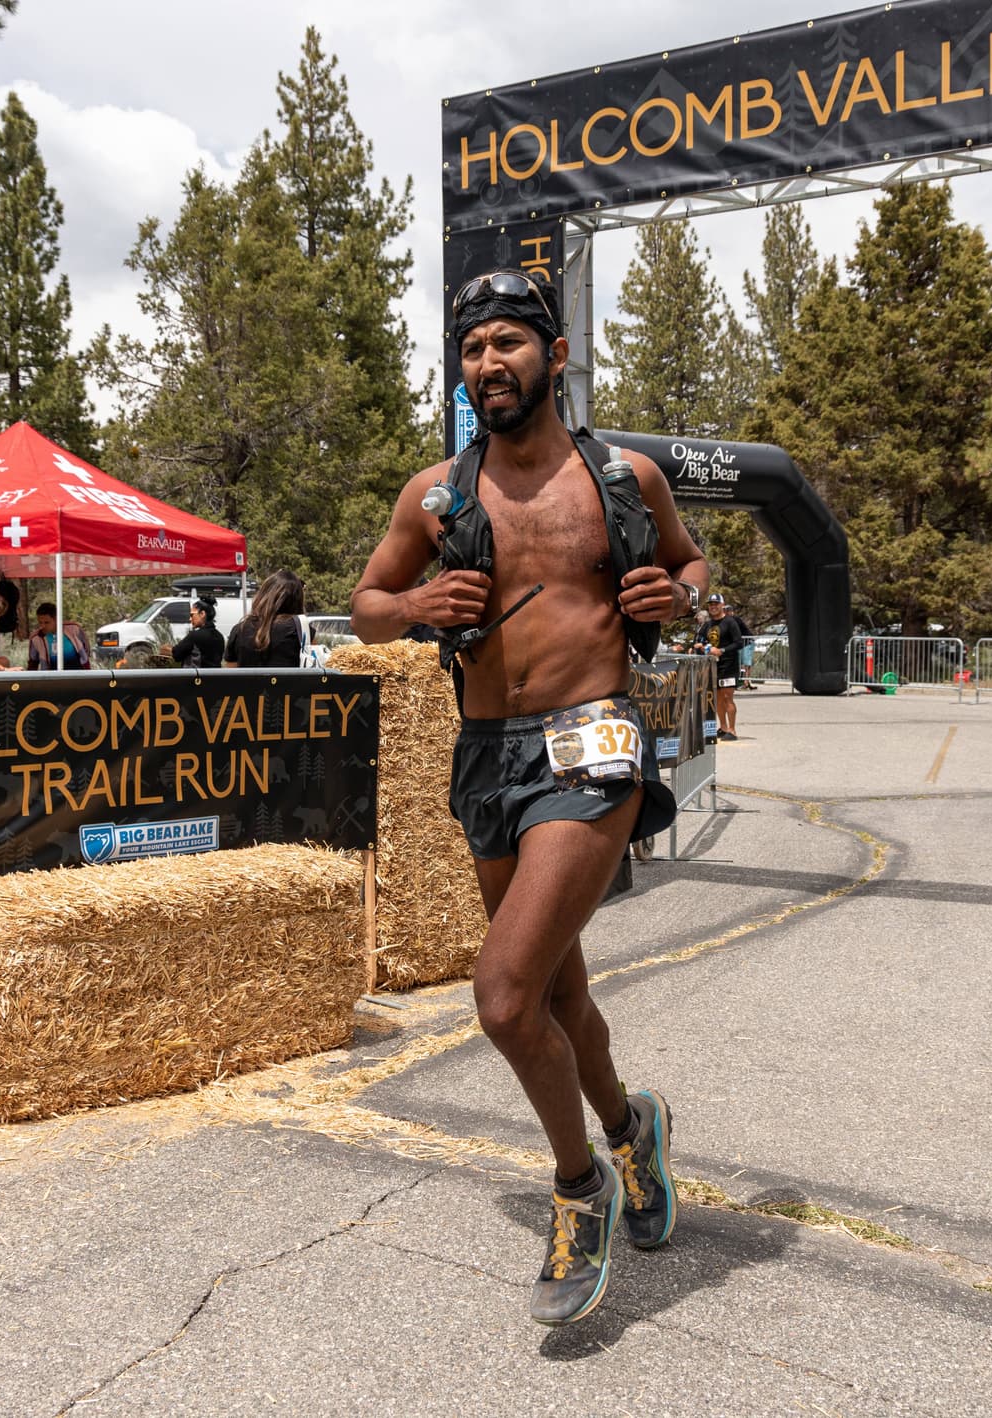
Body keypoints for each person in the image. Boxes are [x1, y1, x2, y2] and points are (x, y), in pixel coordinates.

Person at [351, 268, 707, 1327]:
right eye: (470, 348)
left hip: (591, 741)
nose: (487, 364)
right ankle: (629, 1124)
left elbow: (694, 574)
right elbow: (368, 604)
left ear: (554, 355)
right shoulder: (437, 493)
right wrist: (414, 602)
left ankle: (578, 1188)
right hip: (486, 753)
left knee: (503, 994)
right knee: (556, 998)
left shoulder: (624, 478)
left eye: (507, 342)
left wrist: (675, 597)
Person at [226, 571, 305, 668]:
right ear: (297, 600)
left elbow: (230, 676)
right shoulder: (302, 630)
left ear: (263, 595)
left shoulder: (239, 630)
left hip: (249, 683)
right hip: (291, 683)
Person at [700, 593, 746, 739]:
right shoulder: (707, 624)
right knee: (718, 699)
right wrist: (703, 647)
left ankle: (732, 730)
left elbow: (739, 643)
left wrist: (722, 651)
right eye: (710, 604)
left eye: (716, 604)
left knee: (727, 698)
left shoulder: (730, 622)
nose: (713, 607)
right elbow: (699, 641)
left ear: (722, 605)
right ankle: (723, 727)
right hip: (714, 667)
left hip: (729, 665)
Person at [26, 602, 91, 670]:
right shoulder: (36, 638)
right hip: (51, 677)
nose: (43, 626)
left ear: (56, 619)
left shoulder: (74, 629)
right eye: (40, 622)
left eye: (46, 622)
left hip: (78, 674)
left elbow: (86, 649)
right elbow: (33, 663)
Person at [172, 596, 225, 669]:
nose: (190, 619)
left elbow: (176, 654)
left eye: (192, 615)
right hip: (215, 678)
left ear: (202, 614)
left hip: (197, 678)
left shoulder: (195, 636)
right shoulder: (219, 636)